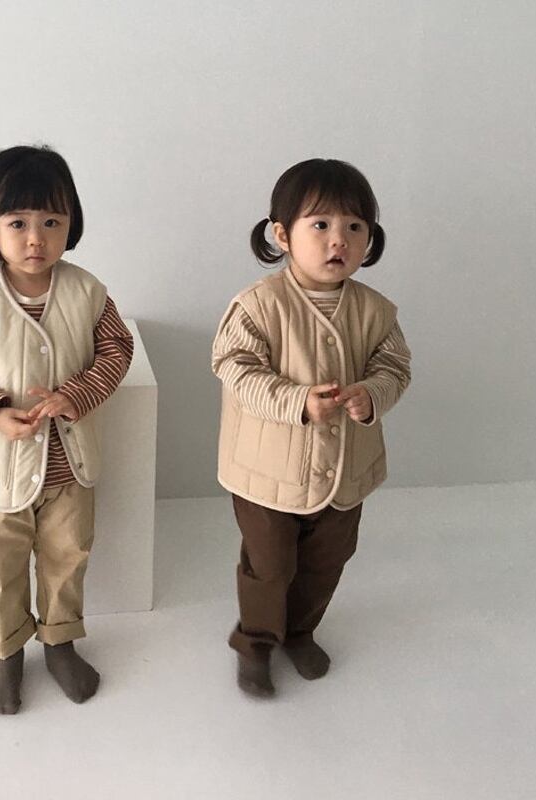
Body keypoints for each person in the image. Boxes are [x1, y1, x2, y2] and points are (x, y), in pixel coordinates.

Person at [0, 144, 134, 714]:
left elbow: (117, 349)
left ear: (71, 224)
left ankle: (61, 642)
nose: (35, 238)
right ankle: (6, 654)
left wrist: (77, 394)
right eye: (18, 223)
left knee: (68, 557)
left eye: (51, 222)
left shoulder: (88, 293)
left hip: (68, 469)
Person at [211, 159, 411, 697]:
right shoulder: (258, 306)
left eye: (354, 226)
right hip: (267, 472)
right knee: (270, 564)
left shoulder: (376, 312)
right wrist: (295, 401)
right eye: (320, 224)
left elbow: (395, 368)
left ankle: (300, 630)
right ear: (282, 235)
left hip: (345, 471)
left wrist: (372, 395)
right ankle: (255, 642)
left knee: (327, 560)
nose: (338, 239)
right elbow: (233, 367)